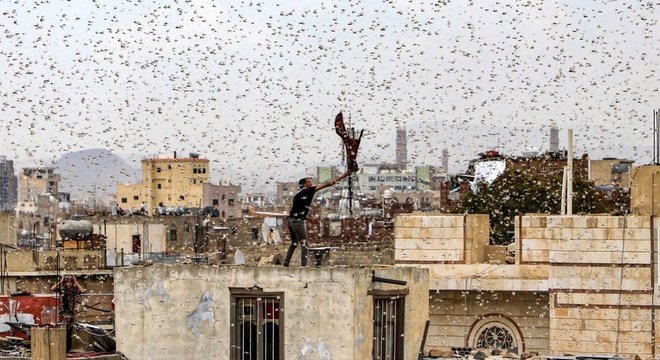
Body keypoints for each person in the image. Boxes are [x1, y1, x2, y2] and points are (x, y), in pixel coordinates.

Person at [283, 171, 351, 267]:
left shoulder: (297, 196)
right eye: (309, 182)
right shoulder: (310, 190)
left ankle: (286, 263)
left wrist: (309, 219)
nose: (311, 184)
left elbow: (297, 212)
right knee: (304, 244)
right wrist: (344, 175)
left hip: (291, 221)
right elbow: (329, 183)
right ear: (304, 184)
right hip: (297, 222)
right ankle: (303, 266)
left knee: (294, 243)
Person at [51, 275, 85, 352]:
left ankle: (67, 349)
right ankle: (62, 348)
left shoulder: (74, 290)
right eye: (67, 282)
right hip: (62, 313)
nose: (69, 284)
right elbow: (52, 288)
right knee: (62, 331)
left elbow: (82, 290)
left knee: (69, 332)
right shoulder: (62, 289)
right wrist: (61, 281)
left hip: (71, 313)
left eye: (70, 282)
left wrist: (76, 282)